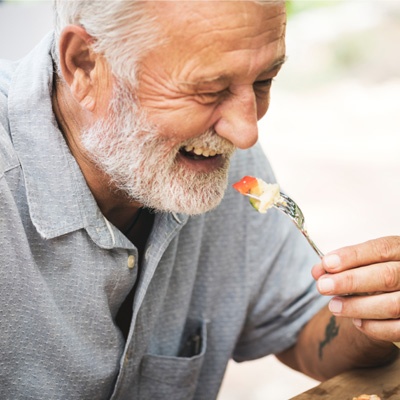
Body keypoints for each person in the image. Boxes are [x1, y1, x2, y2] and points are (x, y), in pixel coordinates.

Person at [0, 0, 398, 398]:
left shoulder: (209, 151)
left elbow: (301, 328)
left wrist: (376, 316)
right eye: (209, 90)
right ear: (85, 65)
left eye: (264, 81)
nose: (245, 133)